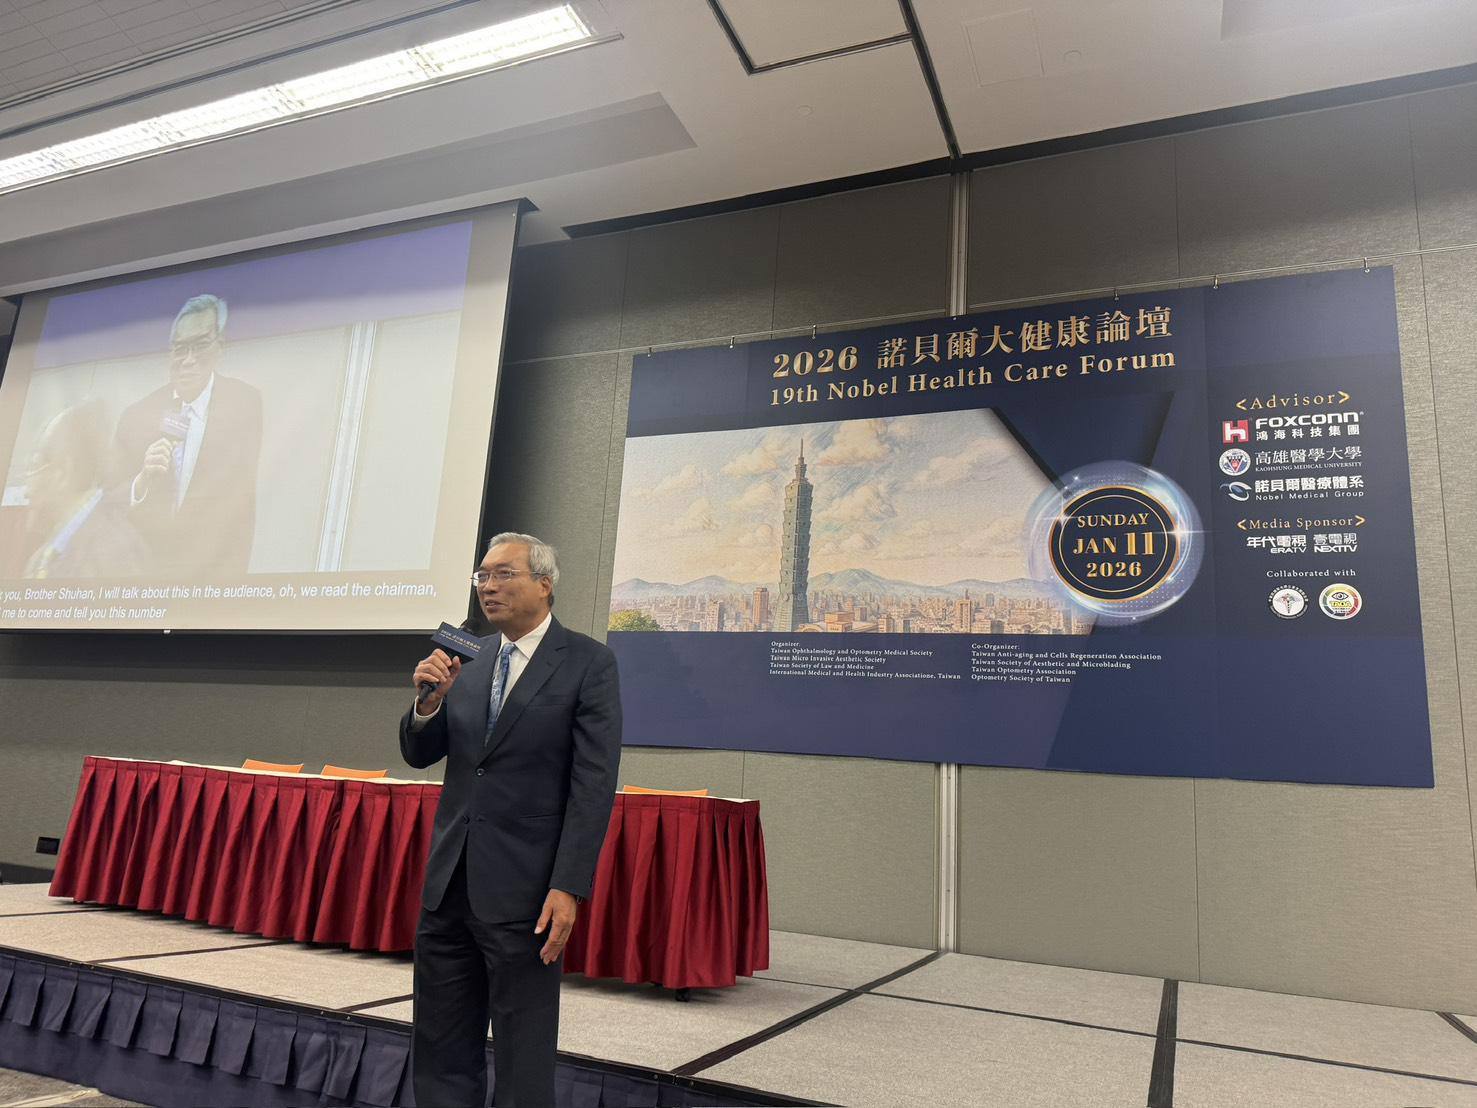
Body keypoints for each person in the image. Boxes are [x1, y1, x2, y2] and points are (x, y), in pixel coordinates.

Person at [401, 532, 622, 1107]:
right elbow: (422, 753)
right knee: (440, 1044)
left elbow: (593, 785)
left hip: (527, 891)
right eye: (482, 576)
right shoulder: (467, 659)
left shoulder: (587, 663)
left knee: (523, 1051)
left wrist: (569, 885)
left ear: (544, 584)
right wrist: (427, 705)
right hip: (449, 884)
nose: (488, 587)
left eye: (503, 574)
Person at [112, 293, 262, 576]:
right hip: (141, 584)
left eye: (200, 345)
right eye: (180, 348)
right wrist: (141, 481)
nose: (188, 360)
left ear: (220, 347)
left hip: (208, 581)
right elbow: (109, 501)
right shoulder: (136, 416)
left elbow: (242, 506)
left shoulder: (245, 404)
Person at [21, 401, 148, 579]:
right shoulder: (40, 560)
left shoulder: (116, 552)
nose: (25, 492)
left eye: (34, 466)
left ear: (62, 473)